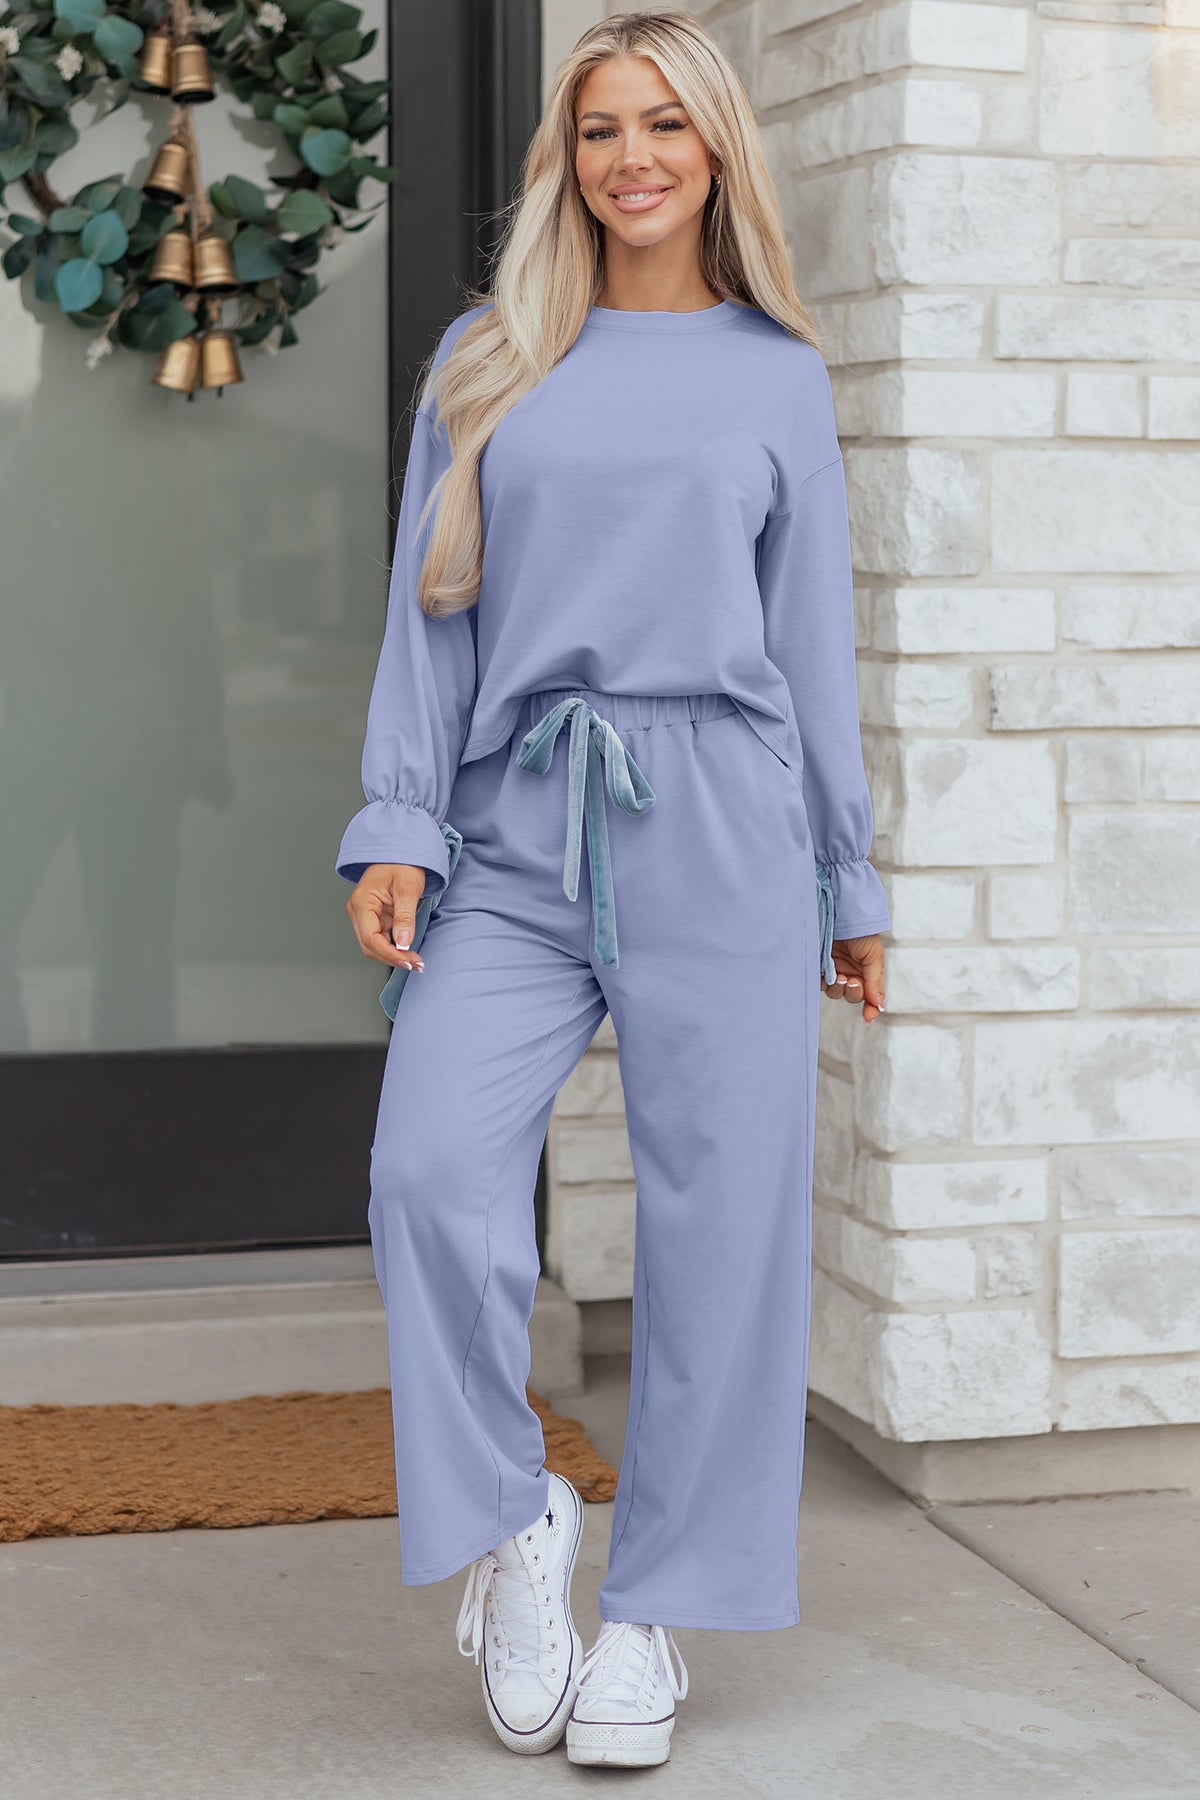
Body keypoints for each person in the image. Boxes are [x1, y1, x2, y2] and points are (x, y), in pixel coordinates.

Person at [337, 9, 889, 1772]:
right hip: (516, 817)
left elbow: (811, 644)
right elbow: (430, 611)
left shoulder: (776, 375)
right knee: (428, 1172)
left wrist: (849, 876)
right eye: (598, 129)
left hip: (722, 817)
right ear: (563, 159)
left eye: (664, 124)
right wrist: (400, 822)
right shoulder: (490, 355)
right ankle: (519, 1523)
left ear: (717, 149)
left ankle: (653, 1614)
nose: (631, 157)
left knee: (723, 1229)